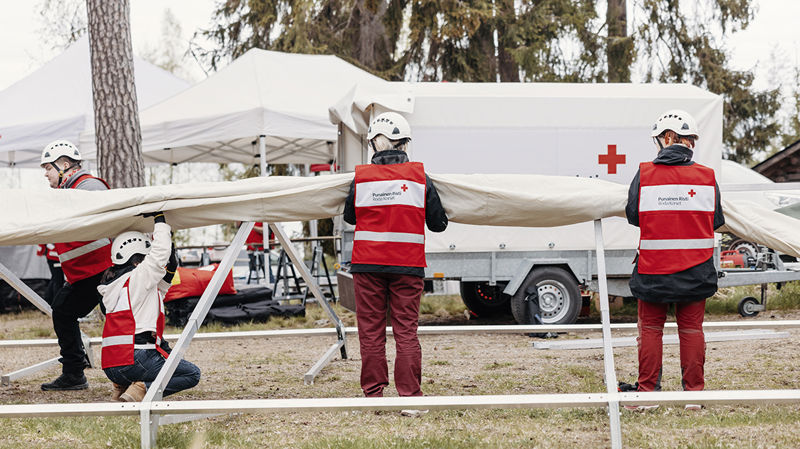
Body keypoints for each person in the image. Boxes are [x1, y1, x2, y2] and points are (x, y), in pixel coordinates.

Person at [623, 110, 724, 410]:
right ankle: (693, 397)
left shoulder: (644, 174)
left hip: (653, 271)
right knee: (691, 331)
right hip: (696, 270)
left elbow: (633, 215)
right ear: (686, 141)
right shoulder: (707, 177)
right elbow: (716, 220)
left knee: (651, 331)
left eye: (658, 140)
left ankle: (648, 396)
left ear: (667, 138)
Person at [343, 112, 448, 400]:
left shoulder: (361, 178)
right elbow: (438, 224)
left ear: (375, 143)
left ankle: (374, 395)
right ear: (403, 143)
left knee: (371, 331)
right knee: (406, 331)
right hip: (407, 267)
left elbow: (350, 218)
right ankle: (411, 396)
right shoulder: (419, 177)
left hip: (367, 266)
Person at [98, 212, 201, 402]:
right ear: (137, 261)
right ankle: (141, 388)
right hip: (135, 359)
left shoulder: (116, 286)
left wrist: (169, 273)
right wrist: (160, 220)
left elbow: (156, 295)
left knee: (169, 357)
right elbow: (159, 255)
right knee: (192, 374)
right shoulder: (138, 277)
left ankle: (122, 387)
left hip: (111, 367)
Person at [39, 140, 113, 391]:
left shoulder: (89, 186)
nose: (46, 174)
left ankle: (146, 367)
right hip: (89, 274)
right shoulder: (69, 191)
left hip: (108, 271)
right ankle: (74, 374)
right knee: (62, 310)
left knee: (121, 320)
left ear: (65, 165)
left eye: (48, 168)